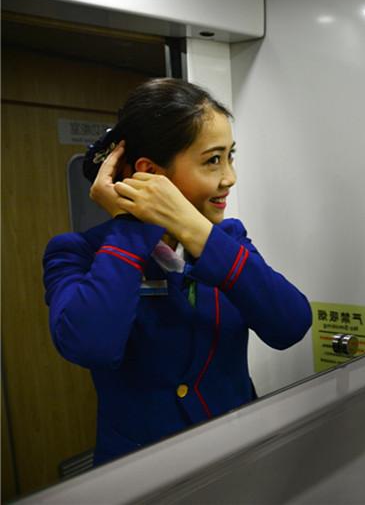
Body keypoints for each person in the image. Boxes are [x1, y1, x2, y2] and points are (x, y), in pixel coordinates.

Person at [43, 78, 312, 466]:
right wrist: (131, 225)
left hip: (239, 459)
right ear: (150, 172)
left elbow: (291, 324)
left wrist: (197, 232)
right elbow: (91, 345)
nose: (230, 177)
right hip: (141, 474)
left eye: (230, 156)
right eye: (212, 160)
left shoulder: (229, 241)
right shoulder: (77, 253)